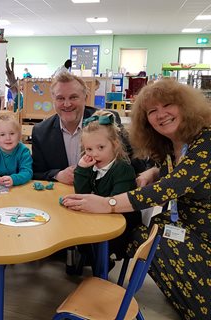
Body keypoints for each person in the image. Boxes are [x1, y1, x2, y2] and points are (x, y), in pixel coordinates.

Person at [62, 78, 211, 319]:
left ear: (186, 106)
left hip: (203, 232)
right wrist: (155, 171)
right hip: (183, 225)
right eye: (152, 111)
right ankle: (180, 290)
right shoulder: (170, 145)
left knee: (149, 238)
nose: (161, 115)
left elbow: (170, 188)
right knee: (145, 234)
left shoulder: (206, 141)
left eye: (168, 105)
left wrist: (108, 203)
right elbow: (174, 173)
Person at [32, 72, 126, 184]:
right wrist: (57, 175)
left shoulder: (106, 120)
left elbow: (128, 161)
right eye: (60, 98)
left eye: (73, 97)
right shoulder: (41, 132)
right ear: (54, 101)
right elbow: (36, 172)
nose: (67, 104)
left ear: (85, 98)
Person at [74, 110, 141, 264]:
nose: (95, 154)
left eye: (101, 148)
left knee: (87, 238)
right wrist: (82, 169)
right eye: (89, 149)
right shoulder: (92, 166)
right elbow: (82, 193)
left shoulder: (123, 169)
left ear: (115, 145)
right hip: (101, 219)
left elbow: (117, 204)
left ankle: (101, 263)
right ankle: (90, 260)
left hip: (120, 227)